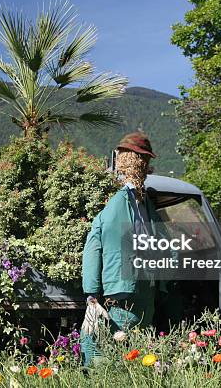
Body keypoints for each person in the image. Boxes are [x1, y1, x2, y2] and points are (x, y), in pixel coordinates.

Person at [80, 131, 170, 366]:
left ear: (121, 161)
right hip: (130, 291)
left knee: (120, 354)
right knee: (132, 352)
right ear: (143, 163)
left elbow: (94, 246)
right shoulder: (135, 205)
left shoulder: (133, 204)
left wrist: (91, 293)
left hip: (130, 291)